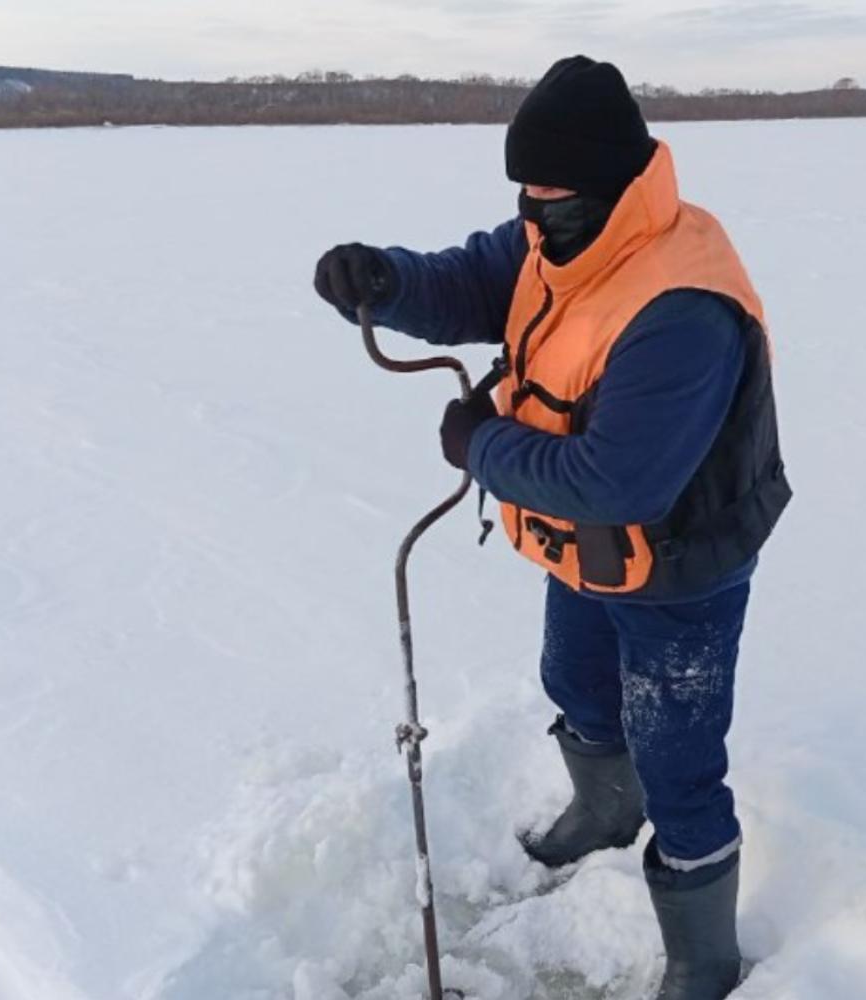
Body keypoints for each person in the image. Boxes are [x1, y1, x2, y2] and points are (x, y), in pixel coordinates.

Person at [314, 55, 790, 1000]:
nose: (535, 210)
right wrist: (386, 282)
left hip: (681, 564)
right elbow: (470, 282)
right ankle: (606, 809)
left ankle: (703, 957)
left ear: (612, 184)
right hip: (589, 549)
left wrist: (481, 444)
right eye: (525, 192)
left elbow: (618, 481)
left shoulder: (680, 306)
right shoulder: (561, 235)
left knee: (680, 760)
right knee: (574, 679)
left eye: (552, 194)